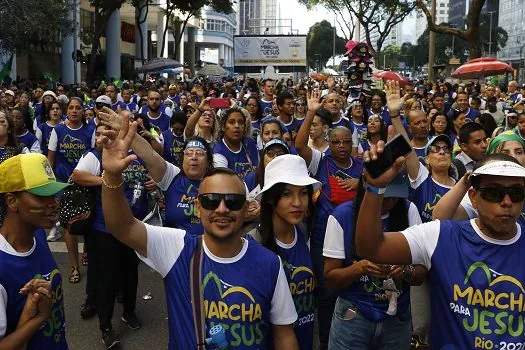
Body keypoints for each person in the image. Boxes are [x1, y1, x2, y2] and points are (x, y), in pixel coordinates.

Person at [98, 113, 300, 349]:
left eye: (233, 202)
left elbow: (284, 335)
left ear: (246, 209)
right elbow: (122, 226)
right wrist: (111, 174)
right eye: (211, 201)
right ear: (198, 206)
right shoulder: (177, 249)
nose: (222, 209)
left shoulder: (270, 264)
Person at [357, 152, 525, 349]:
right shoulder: (441, 236)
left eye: (516, 193)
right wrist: (375, 189)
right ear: (474, 197)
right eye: (493, 193)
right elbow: (371, 248)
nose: (506, 202)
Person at [323, 175, 426, 349]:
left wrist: (405, 271)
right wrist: (359, 268)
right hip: (353, 317)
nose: (390, 201)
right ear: (366, 186)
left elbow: (421, 274)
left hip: (396, 320)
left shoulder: (409, 212)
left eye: (395, 196)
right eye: (384, 195)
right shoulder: (342, 215)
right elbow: (330, 278)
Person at [296, 91, 363, 349]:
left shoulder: (361, 168)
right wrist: (311, 112)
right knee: (325, 294)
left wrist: (362, 184)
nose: (342, 147)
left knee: (351, 291)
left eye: (346, 142)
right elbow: (300, 146)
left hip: (353, 240)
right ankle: (325, 342)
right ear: (329, 142)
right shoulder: (320, 162)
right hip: (323, 240)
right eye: (336, 142)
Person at [72, 120, 148, 348]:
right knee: (105, 278)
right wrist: (107, 179)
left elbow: (152, 172)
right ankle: (106, 326)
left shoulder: (139, 152)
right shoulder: (96, 154)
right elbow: (77, 176)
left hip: (134, 226)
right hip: (103, 229)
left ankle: (129, 312)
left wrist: (151, 182)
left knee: (130, 272)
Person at [248, 154, 320, 349]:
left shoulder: (308, 235)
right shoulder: (253, 244)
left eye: (303, 193)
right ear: (271, 198)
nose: (297, 202)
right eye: (287, 194)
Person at [0, 153, 69, 349]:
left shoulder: (37, 234)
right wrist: (39, 318)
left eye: (53, 193)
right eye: (42, 195)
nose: (54, 202)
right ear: (12, 201)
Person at [432, 130, 525, 224]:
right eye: (505, 154)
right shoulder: (482, 191)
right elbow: (440, 218)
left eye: (519, 152)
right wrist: (465, 183)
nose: (514, 157)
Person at [47, 97, 93, 280]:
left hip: (85, 184)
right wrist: (50, 184)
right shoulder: (58, 130)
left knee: (88, 223)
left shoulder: (90, 131)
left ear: (83, 111)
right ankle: (74, 267)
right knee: (68, 226)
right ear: (67, 111)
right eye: (71, 108)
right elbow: (50, 159)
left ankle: (87, 251)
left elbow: (95, 157)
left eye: (78, 108)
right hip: (64, 184)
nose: (74, 111)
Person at [213, 108, 259, 177]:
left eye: (240, 122)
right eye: (231, 122)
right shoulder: (218, 152)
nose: (237, 126)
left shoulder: (250, 143)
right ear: (223, 127)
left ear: (244, 127)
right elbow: (223, 183)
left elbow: (258, 171)